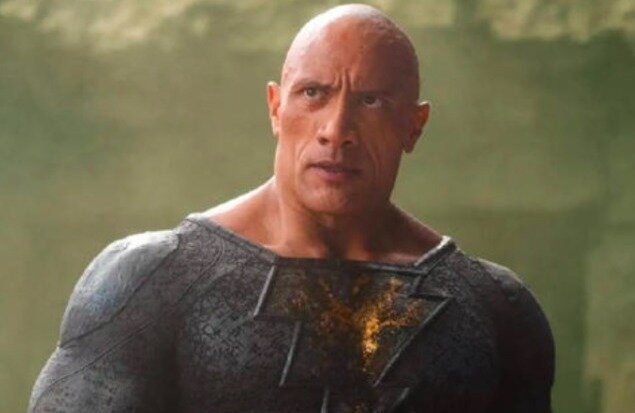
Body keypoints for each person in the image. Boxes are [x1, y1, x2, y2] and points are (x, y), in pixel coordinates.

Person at [28, 4, 554, 412]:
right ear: (276, 108)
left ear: (413, 126)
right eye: (313, 94)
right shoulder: (151, 282)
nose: (336, 131)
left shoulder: (495, 308)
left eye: (370, 100)